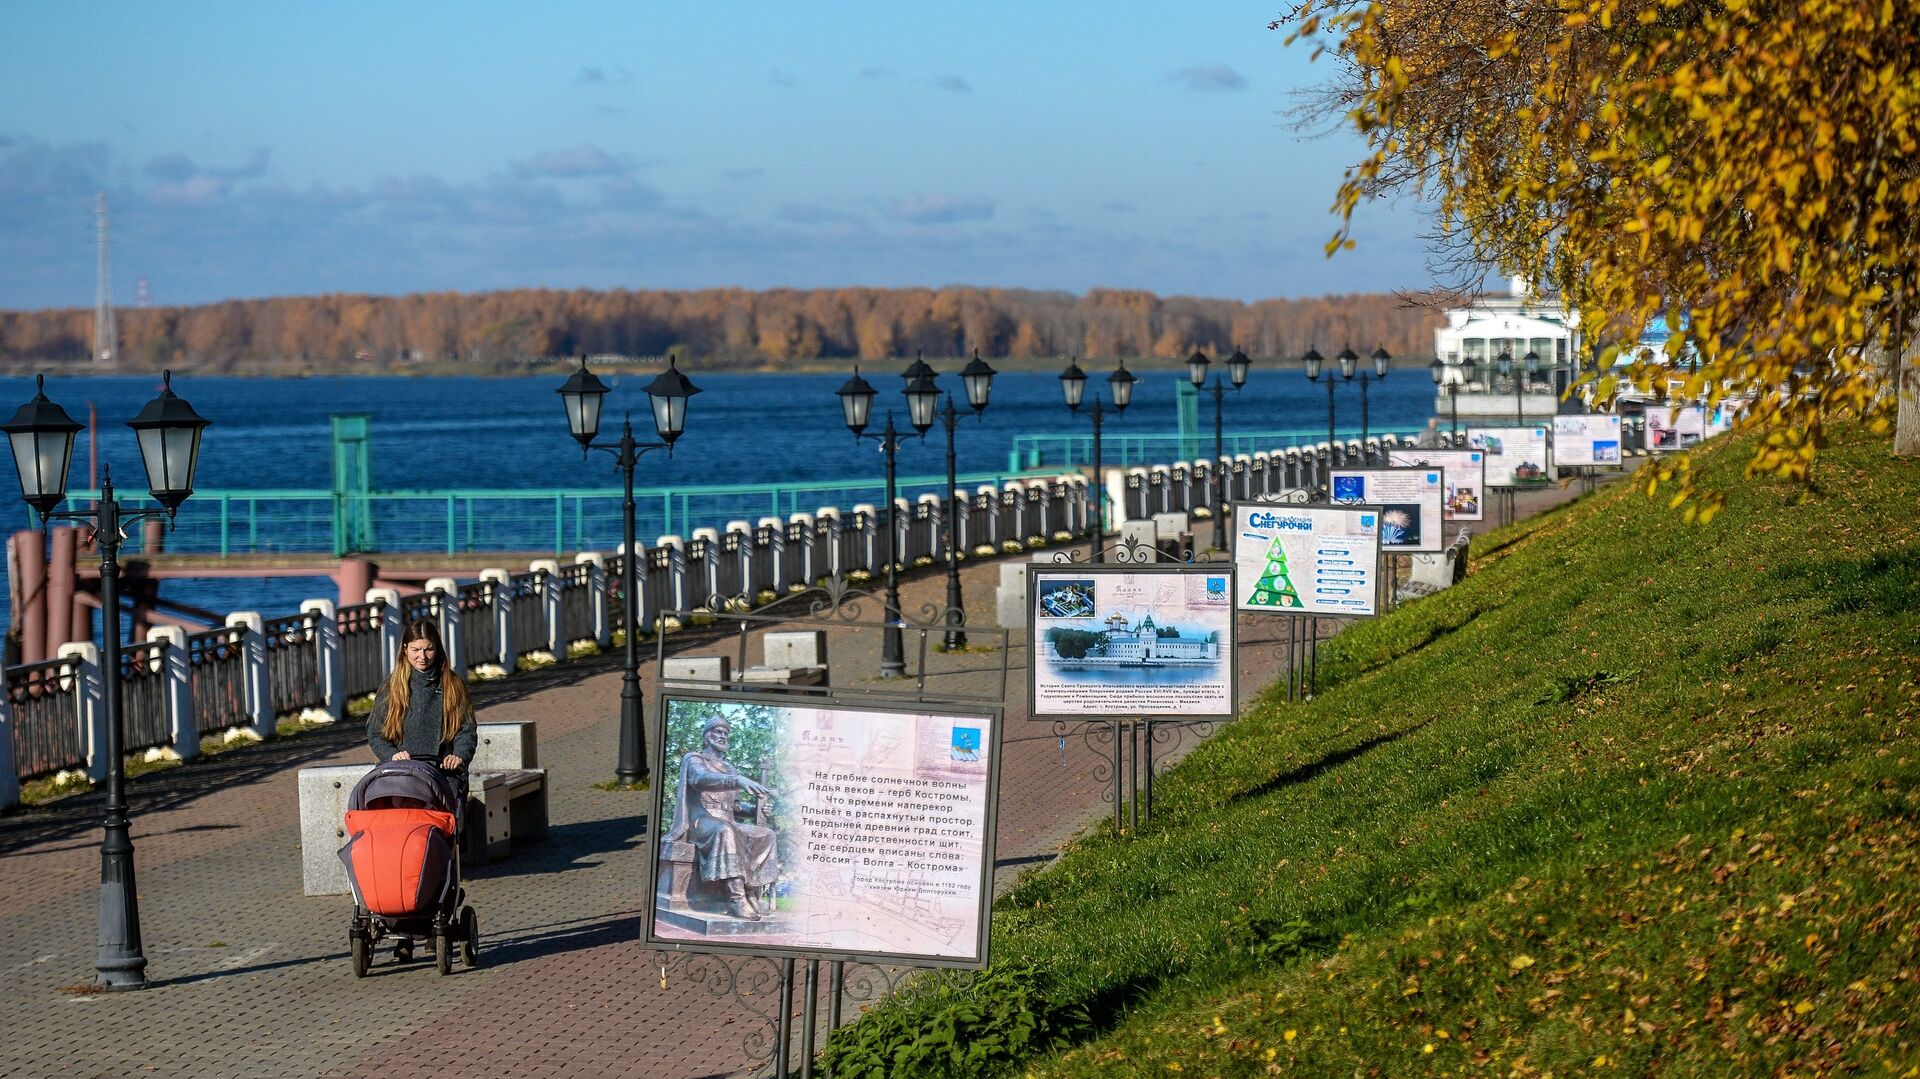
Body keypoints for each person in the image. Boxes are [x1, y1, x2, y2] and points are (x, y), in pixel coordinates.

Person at [665, 712, 779, 920]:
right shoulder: (694, 760)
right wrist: (736, 780)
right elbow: (701, 779)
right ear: (707, 736)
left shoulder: (730, 768)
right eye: (718, 732)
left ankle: (751, 892)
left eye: (726, 733)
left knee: (766, 834)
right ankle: (735, 900)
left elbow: (734, 805)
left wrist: (755, 810)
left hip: (727, 820)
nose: (723, 736)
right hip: (701, 822)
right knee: (725, 830)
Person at [367, 618, 477, 793]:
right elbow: (375, 733)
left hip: (445, 773)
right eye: (415, 650)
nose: (422, 657)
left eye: (429, 649)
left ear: (437, 649)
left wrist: (459, 755)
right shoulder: (392, 686)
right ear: (405, 650)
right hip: (401, 773)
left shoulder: (453, 684)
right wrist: (392, 755)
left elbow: (466, 730)